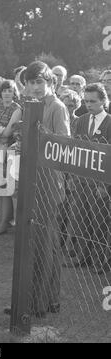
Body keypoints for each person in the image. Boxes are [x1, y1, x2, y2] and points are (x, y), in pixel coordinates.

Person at [21, 61, 70, 318]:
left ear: (50, 82)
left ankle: (43, 301)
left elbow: (65, 144)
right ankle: (36, 298)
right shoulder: (30, 105)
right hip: (32, 176)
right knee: (35, 242)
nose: (35, 87)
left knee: (46, 242)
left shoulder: (57, 106)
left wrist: (44, 133)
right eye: (30, 82)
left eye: (39, 81)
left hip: (50, 180)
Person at [65, 83, 111, 274]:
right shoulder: (81, 120)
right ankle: (83, 256)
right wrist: (72, 178)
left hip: (100, 183)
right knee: (81, 219)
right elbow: (74, 151)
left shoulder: (109, 122)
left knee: (100, 222)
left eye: (93, 101)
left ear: (103, 101)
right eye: (86, 101)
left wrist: (105, 186)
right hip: (81, 180)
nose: (89, 104)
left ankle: (101, 260)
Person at [0, 79, 22, 234]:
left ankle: (4, 222)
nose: (7, 93)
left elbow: (8, 132)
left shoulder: (17, 109)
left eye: (10, 90)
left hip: (7, 150)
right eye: (4, 90)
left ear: (14, 92)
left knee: (4, 187)